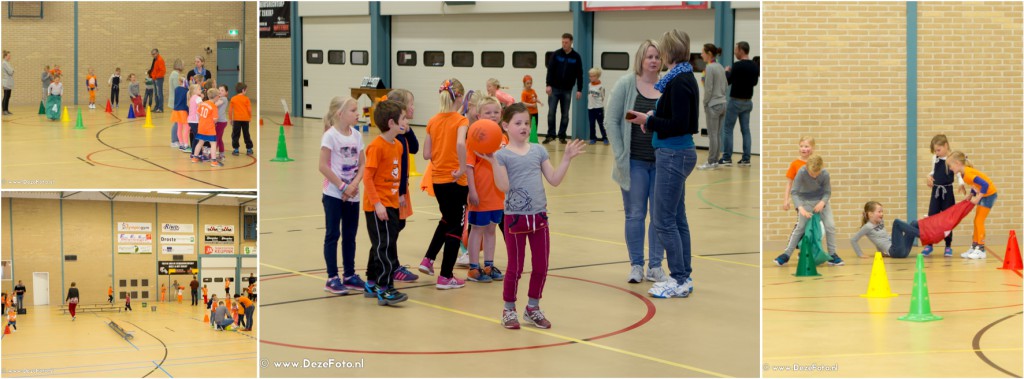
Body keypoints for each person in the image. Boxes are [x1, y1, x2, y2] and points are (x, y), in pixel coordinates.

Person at [476, 103, 586, 329]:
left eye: (527, 122)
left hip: (539, 217)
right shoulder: (501, 155)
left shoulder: (538, 150)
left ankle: (533, 307)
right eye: (518, 123)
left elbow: (554, 180)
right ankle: (508, 310)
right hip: (515, 219)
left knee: (541, 266)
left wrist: (566, 159)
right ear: (505, 126)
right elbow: (504, 186)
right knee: (515, 267)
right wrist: (494, 162)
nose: (524, 127)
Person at [625, 30, 701, 298]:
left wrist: (649, 121)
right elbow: (679, 117)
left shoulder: (679, 81)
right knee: (677, 218)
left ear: (668, 53)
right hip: (677, 152)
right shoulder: (684, 77)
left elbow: (680, 124)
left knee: (663, 220)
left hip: (673, 154)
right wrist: (655, 115)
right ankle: (685, 276)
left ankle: (679, 278)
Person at [606, 40, 666, 284]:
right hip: (634, 163)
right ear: (641, 59)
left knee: (660, 216)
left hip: (662, 162)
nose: (653, 61)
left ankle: (655, 266)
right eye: (649, 56)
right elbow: (612, 120)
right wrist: (621, 153)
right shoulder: (626, 84)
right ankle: (636, 265)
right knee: (635, 214)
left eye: (657, 57)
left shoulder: (667, 86)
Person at [418, 79, 470, 290]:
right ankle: (445, 276)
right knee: (455, 227)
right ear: (458, 97)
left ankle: (428, 260)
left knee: (447, 220)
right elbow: (459, 143)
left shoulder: (432, 121)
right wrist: (462, 168)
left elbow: (426, 154)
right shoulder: (460, 121)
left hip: (438, 180)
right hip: (456, 181)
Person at [361, 100, 410, 305]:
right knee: (385, 246)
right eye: (403, 119)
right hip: (377, 206)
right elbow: (368, 177)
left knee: (382, 243)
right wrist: (377, 204)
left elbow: (397, 175)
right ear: (392, 123)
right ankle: (385, 288)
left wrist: (400, 197)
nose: (406, 122)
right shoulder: (376, 147)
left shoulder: (397, 145)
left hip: (391, 202)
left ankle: (371, 282)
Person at [319, 96, 367, 295]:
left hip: (353, 194)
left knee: (350, 235)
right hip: (334, 194)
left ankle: (349, 275)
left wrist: (354, 184)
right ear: (340, 114)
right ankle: (332, 278)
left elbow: (363, 163)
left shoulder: (356, 135)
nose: (358, 114)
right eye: (353, 110)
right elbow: (322, 166)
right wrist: (342, 186)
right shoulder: (330, 136)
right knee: (333, 234)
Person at [774, 155, 843, 266]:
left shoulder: (825, 174)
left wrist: (822, 202)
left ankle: (832, 255)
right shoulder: (801, 172)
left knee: (830, 226)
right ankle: (786, 254)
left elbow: (827, 192)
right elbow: (794, 192)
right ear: (807, 168)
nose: (814, 176)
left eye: (817, 173)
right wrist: (801, 208)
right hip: (805, 201)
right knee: (800, 227)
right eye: (812, 174)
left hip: (821, 201)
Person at [465, 107, 506, 283]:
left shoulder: (503, 138)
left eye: (496, 112)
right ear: (479, 116)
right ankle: (474, 267)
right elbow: (468, 166)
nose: (493, 115)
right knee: (477, 230)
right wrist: (472, 190)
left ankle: (489, 265)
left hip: (497, 194)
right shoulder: (474, 137)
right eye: (488, 112)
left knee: (491, 229)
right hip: (480, 194)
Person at [385, 89, 421, 283]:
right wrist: (398, 193)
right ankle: (391, 265)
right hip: (394, 189)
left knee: (399, 224)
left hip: (402, 188)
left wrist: (408, 129)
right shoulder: (393, 136)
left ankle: (390, 263)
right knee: (391, 228)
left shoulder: (403, 132)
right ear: (401, 108)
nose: (414, 107)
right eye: (411, 104)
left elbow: (414, 148)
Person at [946, 151, 997, 259]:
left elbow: (985, 184)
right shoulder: (964, 174)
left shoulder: (968, 173)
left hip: (989, 195)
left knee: (979, 220)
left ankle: (981, 249)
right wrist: (971, 195)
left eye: (950, 166)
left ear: (957, 163)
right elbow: (976, 185)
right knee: (976, 221)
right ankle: (975, 247)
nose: (950, 168)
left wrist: (978, 197)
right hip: (984, 195)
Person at [719, 41, 760, 167]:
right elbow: (754, 83)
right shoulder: (754, 66)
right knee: (746, 130)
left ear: (741, 50)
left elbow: (728, 81)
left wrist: (727, 71)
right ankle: (746, 159)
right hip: (748, 102)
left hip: (735, 101)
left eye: (736, 50)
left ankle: (726, 158)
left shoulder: (737, 66)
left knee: (728, 129)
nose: (734, 52)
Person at [923, 135, 964, 257]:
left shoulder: (952, 158)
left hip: (947, 192)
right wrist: (928, 176)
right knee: (932, 218)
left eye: (938, 150)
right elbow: (933, 171)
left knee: (948, 220)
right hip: (936, 191)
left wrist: (961, 183)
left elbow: (958, 174)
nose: (937, 152)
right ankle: (929, 245)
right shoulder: (935, 158)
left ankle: (948, 246)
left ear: (946, 146)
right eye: (935, 150)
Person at [543, 33, 585, 144]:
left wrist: (579, 89)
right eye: (563, 42)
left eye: (566, 42)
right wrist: (548, 84)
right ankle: (551, 135)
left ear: (571, 42)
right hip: (554, 89)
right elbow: (550, 70)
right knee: (551, 112)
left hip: (567, 90)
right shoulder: (556, 54)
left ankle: (562, 135)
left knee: (565, 114)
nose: (564, 44)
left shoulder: (576, 57)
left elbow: (579, 74)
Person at [697, 43, 727, 170]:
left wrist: (705, 102)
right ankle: (715, 160)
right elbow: (725, 85)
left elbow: (708, 89)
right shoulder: (720, 66)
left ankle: (711, 161)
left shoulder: (709, 68)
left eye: (703, 52)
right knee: (717, 134)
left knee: (712, 134)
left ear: (709, 54)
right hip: (722, 103)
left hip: (713, 105)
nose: (701, 54)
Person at [191, 88, 223, 166]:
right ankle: (214, 161)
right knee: (213, 144)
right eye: (218, 96)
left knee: (200, 142)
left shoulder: (203, 103)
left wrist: (203, 120)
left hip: (201, 127)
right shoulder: (214, 106)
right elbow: (215, 119)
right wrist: (214, 121)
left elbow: (198, 114)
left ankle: (195, 157)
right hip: (209, 128)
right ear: (216, 97)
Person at [230, 83, 254, 156]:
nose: (246, 92)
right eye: (246, 90)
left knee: (236, 134)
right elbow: (249, 110)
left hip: (236, 120)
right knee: (246, 134)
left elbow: (230, 110)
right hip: (245, 119)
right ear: (243, 90)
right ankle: (249, 149)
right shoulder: (246, 99)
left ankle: (236, 149)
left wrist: (231, 119)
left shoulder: (233, 98)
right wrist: (250, 117)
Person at [587, 68, 608, 145]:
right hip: (590, 108)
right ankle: (593, 138)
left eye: (593, 76)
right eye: (590, 76)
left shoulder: (601, 86)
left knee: (601, 123)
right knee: (591, 124)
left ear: (597, 76)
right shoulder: (589, 85)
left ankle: (605, 138)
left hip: (598, 108)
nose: (591, 78)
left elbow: (603, 97)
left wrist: (598, 104)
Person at [172, 77, 191, 152]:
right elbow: (186, 102)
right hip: (183, 110)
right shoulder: (186, 90)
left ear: (180, 82)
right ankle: (186, 145)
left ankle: (181, 144)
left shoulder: (176, 89)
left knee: (179, 127)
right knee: (187, 128)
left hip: (176, 110)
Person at [185, 84, 202, 153]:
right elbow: (201, 108)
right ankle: (198, 153)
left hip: (191, 120)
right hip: (195, 120)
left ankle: (193, 153)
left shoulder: (192, 98)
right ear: (195, 91)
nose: (201, 90)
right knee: (198, 138)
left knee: (196, 137)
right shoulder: (198, 98)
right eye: (199, 89)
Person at [215, 85, 230, 159]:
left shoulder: (223, 99)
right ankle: (222, 154)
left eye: (222, 90)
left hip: (221, 122)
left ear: (226, 93)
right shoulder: (219, 98)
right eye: (219, 90)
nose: (220, 92)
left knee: (216, 138)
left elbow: (215, 104)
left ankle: (213, 155)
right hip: (219, 121)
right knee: (219, 138)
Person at [2, 50, 13, 115]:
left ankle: (6, 109)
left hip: (8, 82)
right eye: (9, 56)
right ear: (5, 56)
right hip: (6, 82)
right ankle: (4, 110)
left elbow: (11, 70)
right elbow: (10, 72)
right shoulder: (4, 63)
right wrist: (12, 70)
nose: (10, 57)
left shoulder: (7, 63)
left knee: (8, 96)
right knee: (6, 96)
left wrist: (12, 70)